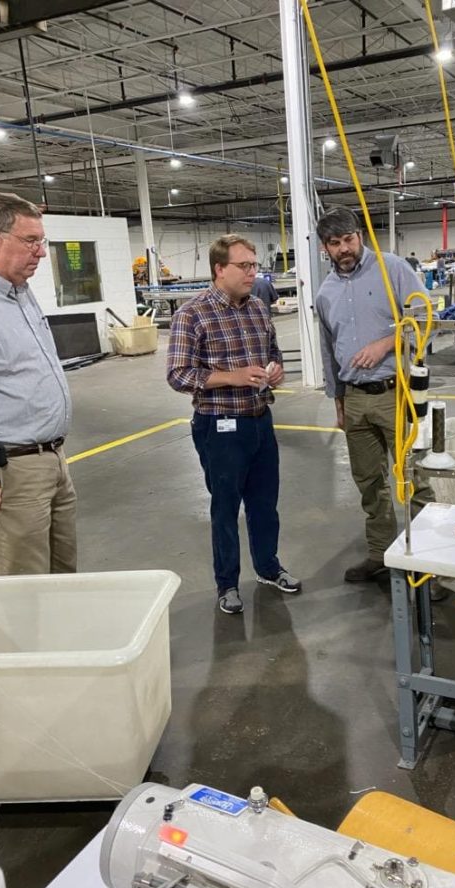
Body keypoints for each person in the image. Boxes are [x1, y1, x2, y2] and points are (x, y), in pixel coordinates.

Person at [167, 233, 301, 614]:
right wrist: (233, 377)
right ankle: (227, 583)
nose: (252, 272)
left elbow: (273, 352)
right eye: (244, 266)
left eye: (254, 265)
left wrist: (276, 371)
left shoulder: (258, 308)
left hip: (260, 421)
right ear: (219, 269)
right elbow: (178, 374)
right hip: (219, 427)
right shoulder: (192, 314)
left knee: (265, 504)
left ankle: (268, 567)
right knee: (225, 509)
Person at [315, 206, 436, 583]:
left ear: (361, 236)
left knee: (414, 477)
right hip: (354, 399)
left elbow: (425, 320)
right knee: (369, 481)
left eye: (348, 239)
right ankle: (380, 553)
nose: (343, 248)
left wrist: (385, 344)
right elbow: (328, 350)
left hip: (394, 393)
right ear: (325, 247)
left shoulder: (392, 268)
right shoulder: (325, 292)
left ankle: (429, 563)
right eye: (334, 243)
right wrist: (338, 401)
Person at [0, 192, 76, 575]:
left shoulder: (22, 294)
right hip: (14, 472)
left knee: (64, 574)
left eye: (41, 241)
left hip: (54, 459)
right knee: (23, 586)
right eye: (30, 241)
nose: (40, 252)